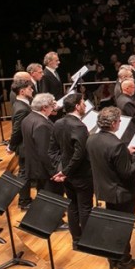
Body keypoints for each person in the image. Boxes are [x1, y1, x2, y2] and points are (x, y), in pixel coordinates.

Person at [86, 107, 135, 269]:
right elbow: (127, 173)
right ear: (112, 124)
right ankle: (124, 262)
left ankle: (113, 260)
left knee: (112, 225)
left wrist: (125, 153)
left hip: (105, 189)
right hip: (121, 192)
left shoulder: (92, 139)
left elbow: (107, 159)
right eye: (118, 121)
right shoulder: (116, 144)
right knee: (123, 227)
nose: (120, 123)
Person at [50, 93, 93, 248]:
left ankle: (76, 240)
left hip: (66, 175)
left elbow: (52, 150)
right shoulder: (79, 126)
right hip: (81, 174)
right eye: (83, 103)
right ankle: (88, 241)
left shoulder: (58, 123)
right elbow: (80, 154)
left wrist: (62, 169)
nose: (85, 105)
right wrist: (65, 171)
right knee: (85, 207)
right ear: (77, 106)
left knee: (72, 206)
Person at [22, 93, 60, 197]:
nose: (53, 108)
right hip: (45, 171)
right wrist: (54, 172)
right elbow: (45, 152)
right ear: (44, 107)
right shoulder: (42, 125)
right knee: (52, 198)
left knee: (43, 196)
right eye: (52, 105)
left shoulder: (28, 118)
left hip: (36, 167)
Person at [7, 79, 35, 210]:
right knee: (24, 173)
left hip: (25, 145)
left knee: (25, 172)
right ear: (22, 91)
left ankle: (25, 200)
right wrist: (11, 146)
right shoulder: (22, 109)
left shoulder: (20, 104)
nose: (32, 90)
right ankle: (24, 201)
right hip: (25, 146)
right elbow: (17, 130)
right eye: (30, 88)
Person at [115, 78, 135, 144]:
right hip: (129, 130)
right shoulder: (127, 102)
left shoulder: (120, 97)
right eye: (133, 87)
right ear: (127, 88)